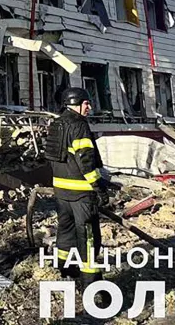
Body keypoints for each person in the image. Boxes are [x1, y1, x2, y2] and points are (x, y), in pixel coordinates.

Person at [43, 87, 109, 289]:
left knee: (65, 231)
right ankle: (91, 283)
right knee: (87, 236)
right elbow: (85, 161)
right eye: (86, 103)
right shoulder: (79, 125)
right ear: (75, 104)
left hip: (61, 192)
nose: (89, 107)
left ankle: (65, 270)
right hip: (81, 193)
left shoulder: (57, 124)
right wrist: (99, 187)